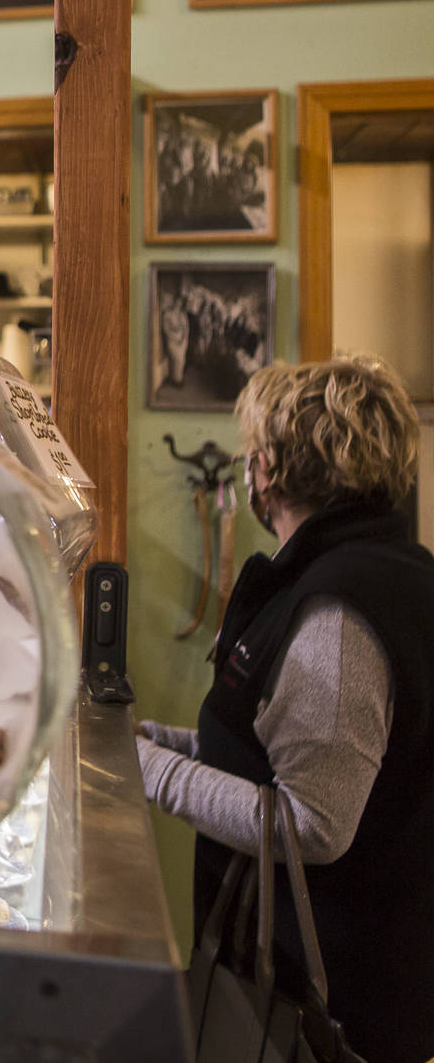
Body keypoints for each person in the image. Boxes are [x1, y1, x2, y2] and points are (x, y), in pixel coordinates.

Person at [137, 354, 434, 1063]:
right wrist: (168, 743)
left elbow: (313, 824)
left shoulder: (340, 610)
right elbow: (282, 746)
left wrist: (150, 773)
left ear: (266, 467)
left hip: (335, 1003)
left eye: (251, 452)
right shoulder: (387, 569)